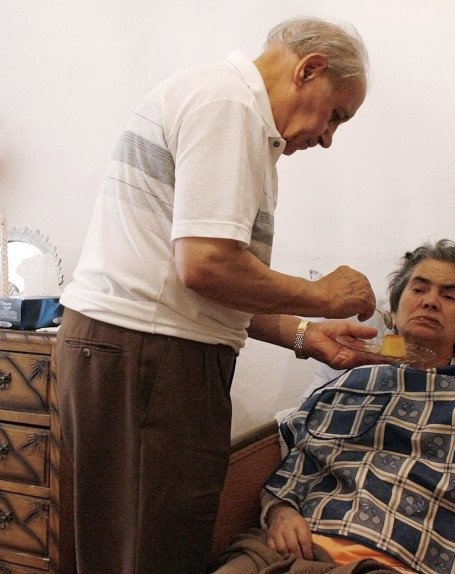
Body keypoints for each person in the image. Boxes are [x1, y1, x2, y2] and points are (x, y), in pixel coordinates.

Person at [55, 17, 381, 574]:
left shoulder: (227, 107)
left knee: (120, 549)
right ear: (310, 69)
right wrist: (320, 297)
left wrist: (303, 334)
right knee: (149, 553)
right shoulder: (229, 107)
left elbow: (216, 287)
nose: (328, 137)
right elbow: (205, 265)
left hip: (136, 354)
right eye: (336, 115)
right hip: (151, 360)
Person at [208, 240, 455, 574]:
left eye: (449, 295)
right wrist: (280, 512)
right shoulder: (353, 378)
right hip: (291, 550)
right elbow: (296, 444)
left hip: (395, 561)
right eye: (419, 289)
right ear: (393, 315)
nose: (430, 301)